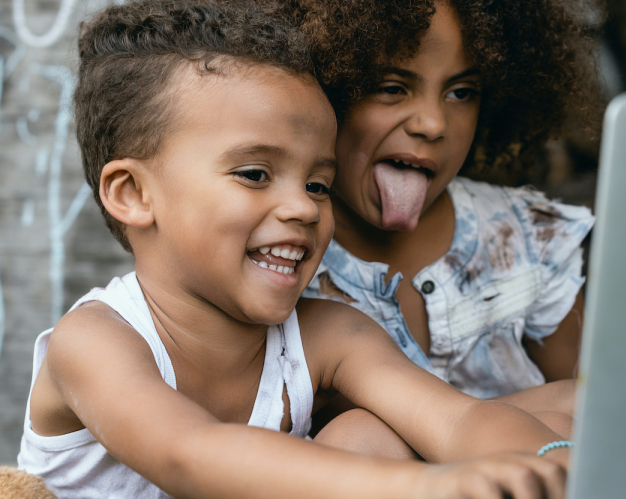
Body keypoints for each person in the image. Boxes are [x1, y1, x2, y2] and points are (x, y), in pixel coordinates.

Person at [17, 1, 573, 497]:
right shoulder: (94, 341)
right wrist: (429, 485)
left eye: (318, 184)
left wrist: (548, 463)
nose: (305, 209)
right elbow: (190, 456)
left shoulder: (329, 334)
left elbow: (454, 422)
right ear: (134, 194)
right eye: (256, 173)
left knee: (372, 434)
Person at [295, 0, 601, 427]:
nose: (433, 123)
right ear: (320, 87)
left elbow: (598, 414)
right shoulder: (278, 254)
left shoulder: (528, 239)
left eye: (461, 93)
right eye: (391, 87)